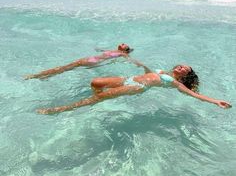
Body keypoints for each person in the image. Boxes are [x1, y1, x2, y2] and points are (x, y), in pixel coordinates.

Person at [37, 64, 232, 114]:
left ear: (184, 76)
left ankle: (61, 109)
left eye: (184, 69)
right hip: (128, 78)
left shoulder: (176, 83)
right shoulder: (163, 70)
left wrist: (215, 101)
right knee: (95, 82)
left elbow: (193, 94)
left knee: (100, 96)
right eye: (181, 65)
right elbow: (151, 73)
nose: (180, 67)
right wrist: (142, 65)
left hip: (136, 86)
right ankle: (97, 99)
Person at [24, 43, 136, 80]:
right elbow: (129, 59)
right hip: (90, 61)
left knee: (64, 68)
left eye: (124, 45)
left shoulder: (117, 52)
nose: (122, 44)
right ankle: (39, 76)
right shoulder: (119, 52)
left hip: (89, 59)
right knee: (64, 69)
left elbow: (99, 50)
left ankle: (37, 76)